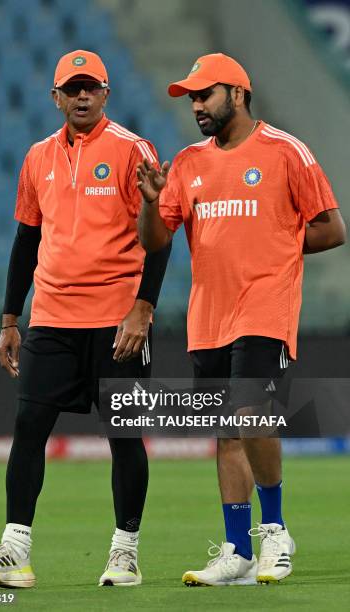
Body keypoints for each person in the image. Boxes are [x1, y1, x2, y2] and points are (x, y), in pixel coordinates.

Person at [0, 49, 171, 588]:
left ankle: (124, 552)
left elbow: (159, 236)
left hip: (116, 317)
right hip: (52, 316)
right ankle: (15, 552)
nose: (82, 96)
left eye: (91, 87)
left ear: (106, 93)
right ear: (54, 96)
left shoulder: (132, 150)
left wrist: (142, 309)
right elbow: (26, 238)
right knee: (28, 426)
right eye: (71, 88)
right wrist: (11, 319)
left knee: (124, 435)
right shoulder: (37, 158)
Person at [137, 53, 346, 586]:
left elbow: (332, 228)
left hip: (266, 307)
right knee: (227, 433)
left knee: (253, 412)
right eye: (191, 98)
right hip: (208, 317)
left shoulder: (285, 151)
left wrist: (275, 244)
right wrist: (150, 203)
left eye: (205, 94)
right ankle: (236, 551)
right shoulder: (185, 163)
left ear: (239, 92)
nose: (197, 106)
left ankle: (275, 531)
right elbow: (155, 240)